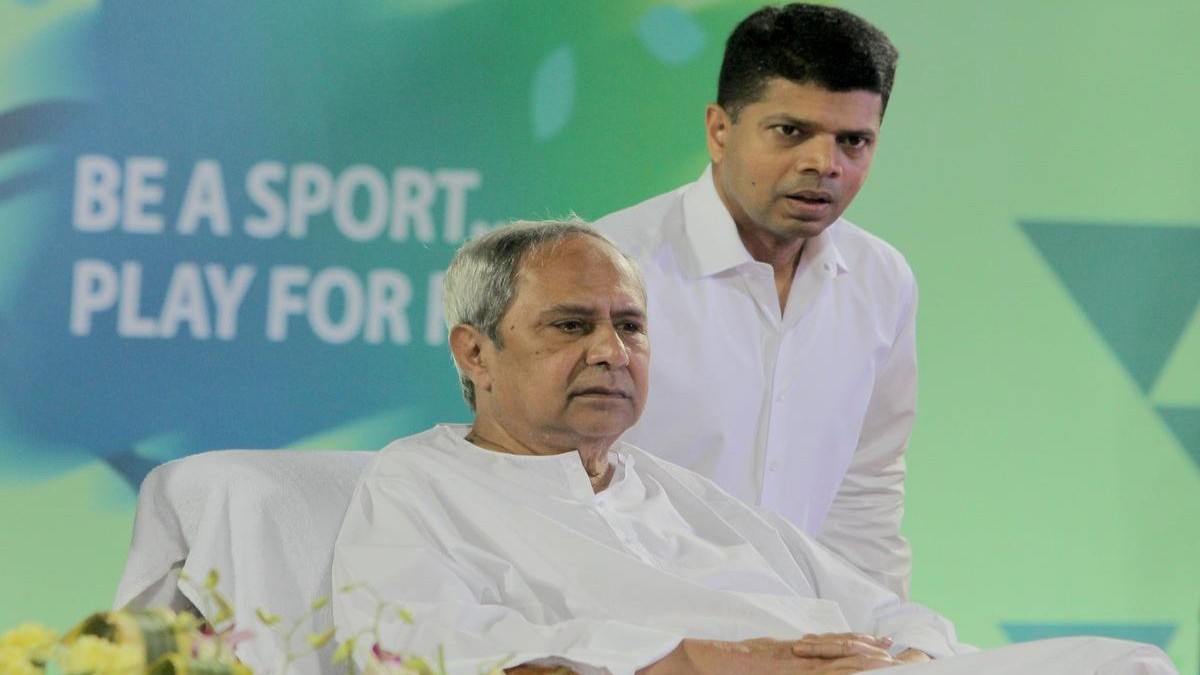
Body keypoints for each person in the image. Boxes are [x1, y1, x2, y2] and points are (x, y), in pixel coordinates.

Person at [332, 220, 1175, 675]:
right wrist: (710, 661)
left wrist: (908, 654)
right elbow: (420, 652)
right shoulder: (422, 482)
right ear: (474, 352)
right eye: (571, 325)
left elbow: (882, 608)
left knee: (1127, 664)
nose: (611, 352)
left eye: (631, 326)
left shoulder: (670, 487)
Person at [594, 3, 917, 597]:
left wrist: (881, 628)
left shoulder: (881, 280)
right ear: (719, 131)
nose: (824, 164)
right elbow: (553, 488)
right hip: (637, 624)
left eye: (853, 141)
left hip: (809, 631)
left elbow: (864, 493)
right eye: (791, 131)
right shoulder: (608, 269)